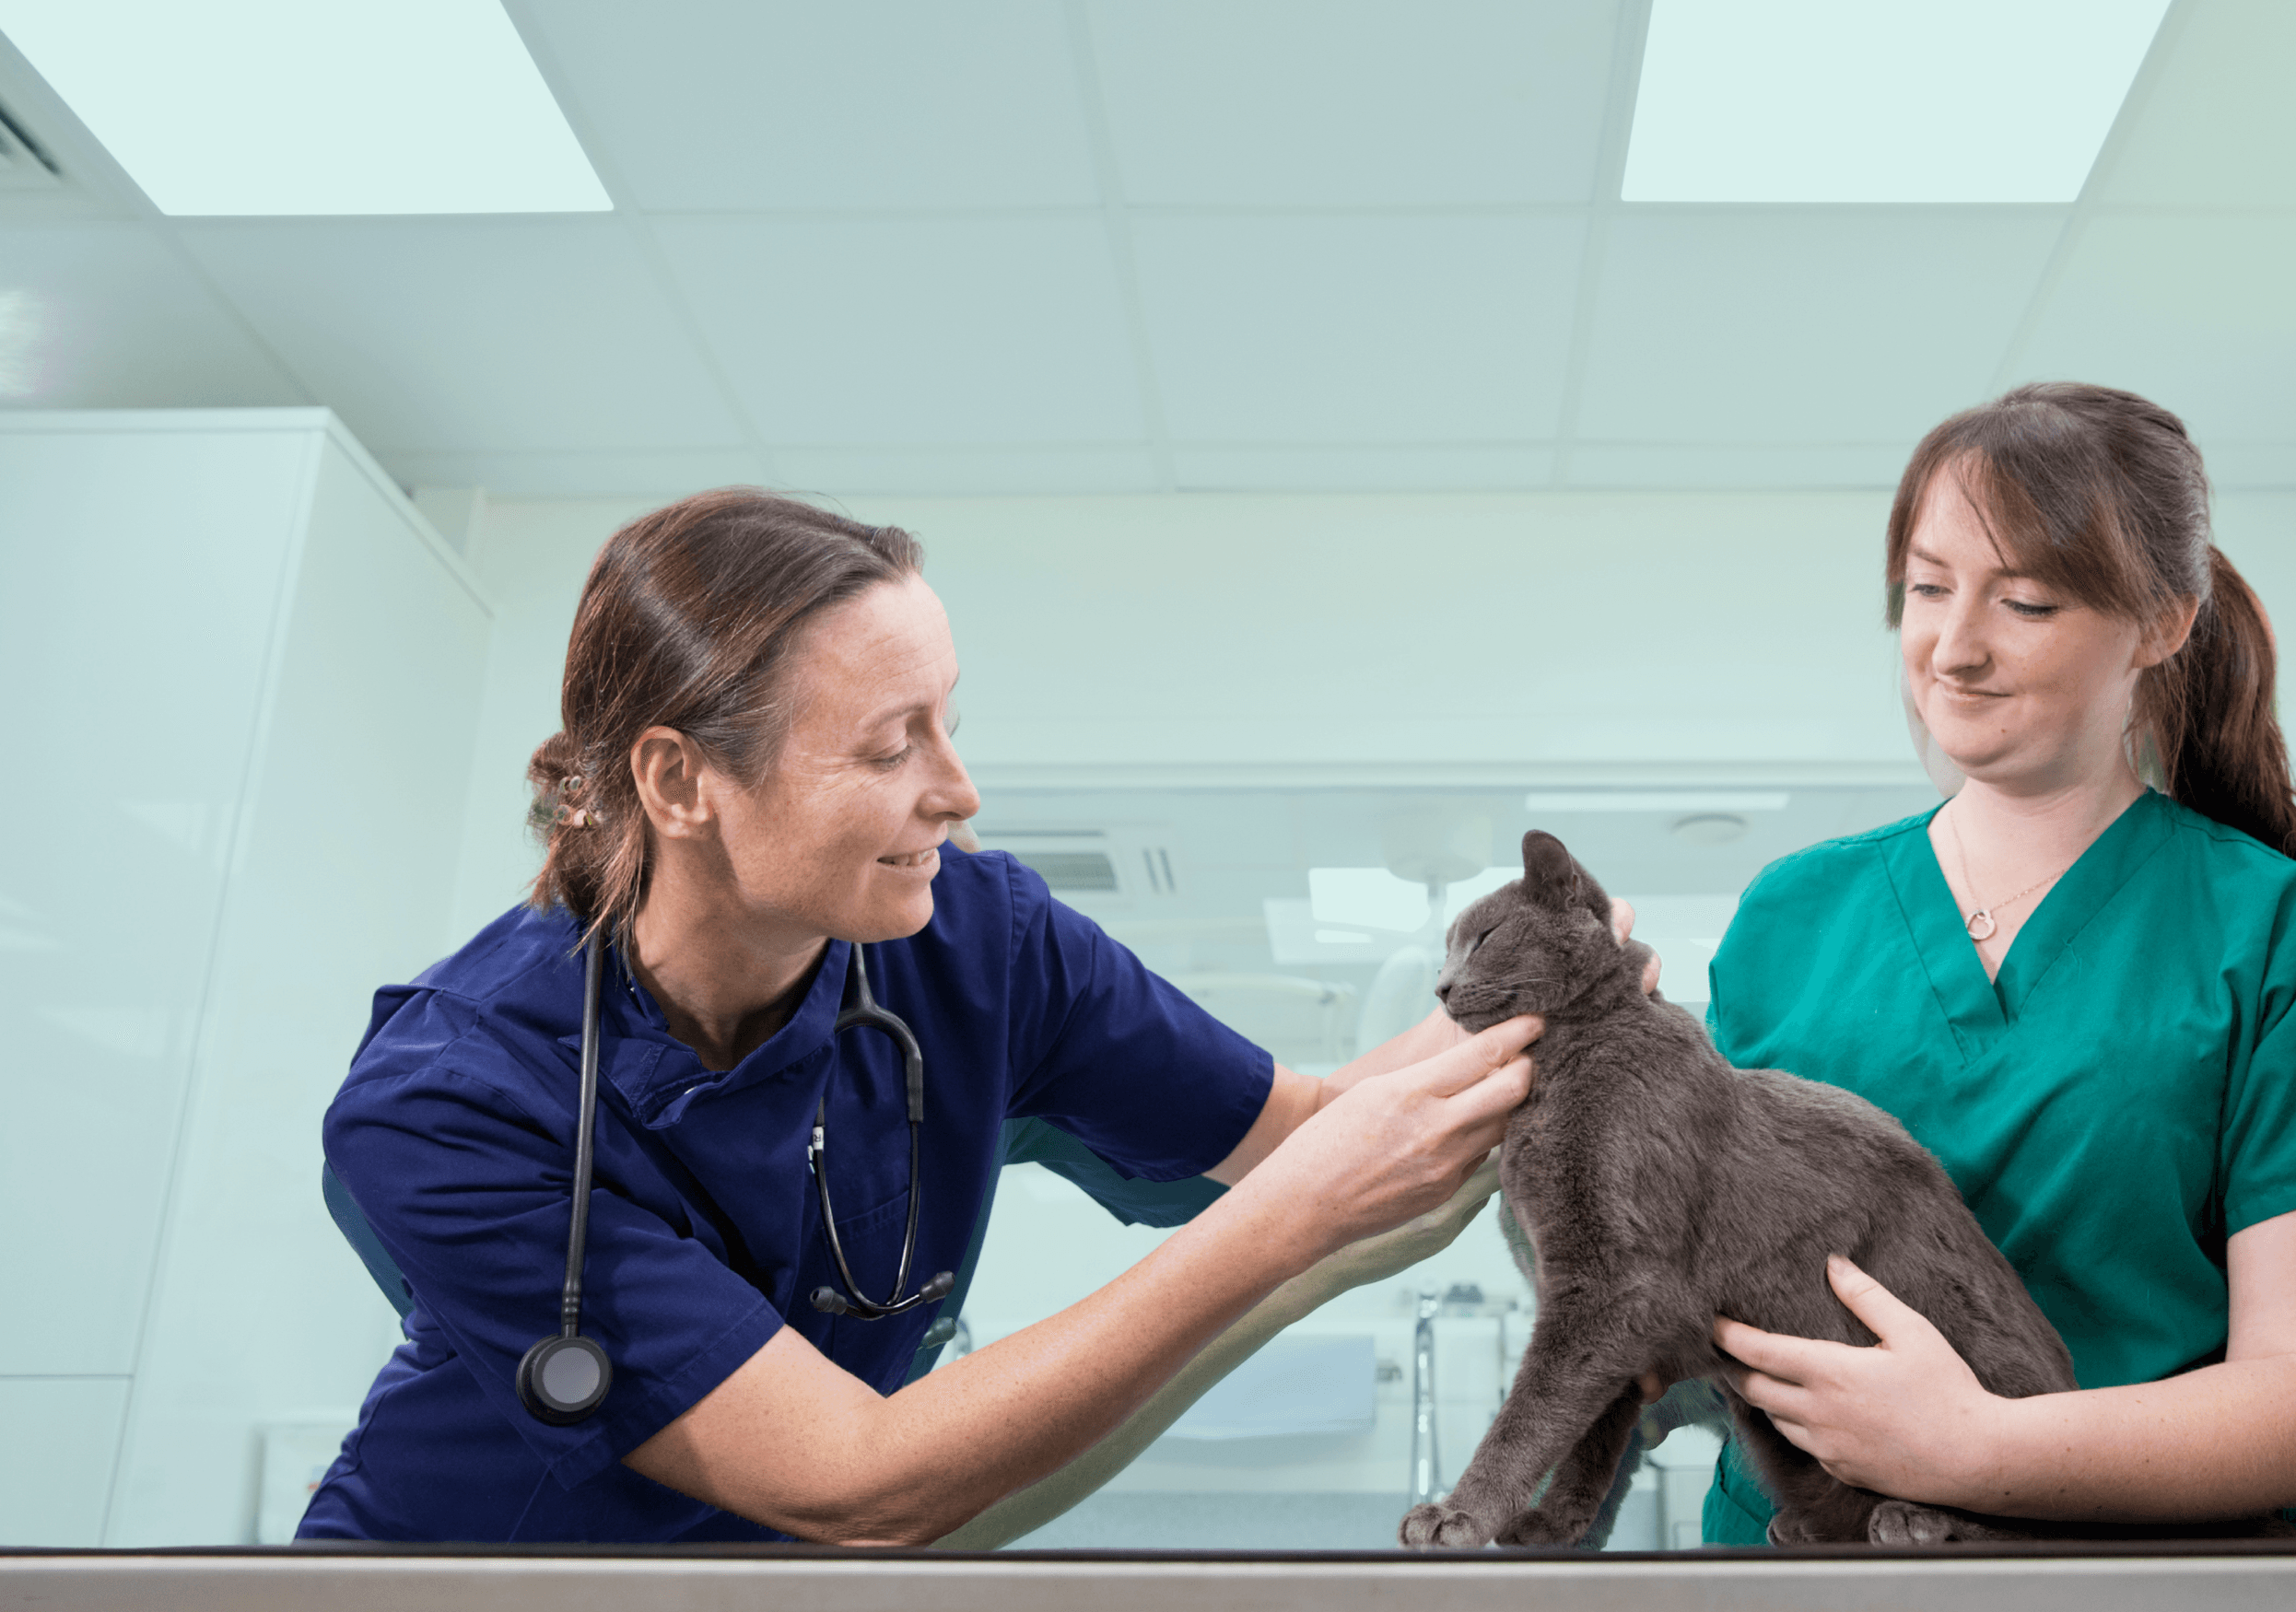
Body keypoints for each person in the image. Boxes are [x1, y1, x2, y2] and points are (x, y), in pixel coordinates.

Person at [302, 489, 1642, 1545]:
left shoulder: (976, 938)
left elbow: (1300, 1126)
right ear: (682, 779)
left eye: (951, 723)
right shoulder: (450, 1100)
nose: (960, 789)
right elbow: (853, 1479)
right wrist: (1293, 1228)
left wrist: (1548, 1003)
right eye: (892, 747)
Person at [1697, 383, 2296, 1543]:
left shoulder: (2281, 938)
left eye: (2028, 602)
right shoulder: (1790, 918)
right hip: (1799, 1574)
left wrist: (1973, 1449)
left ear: (2161, 624)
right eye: (1928, 589)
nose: (1955, 648)